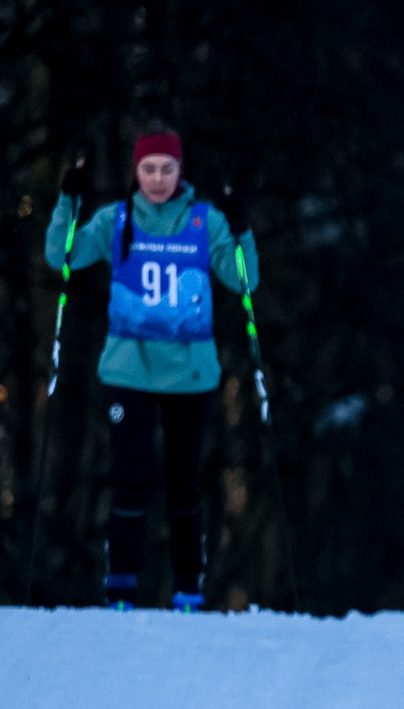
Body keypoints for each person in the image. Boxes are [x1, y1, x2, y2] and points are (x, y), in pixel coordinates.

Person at [43, 129, 258, 610]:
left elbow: (244, 279)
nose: (158, 179)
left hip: (190, 374)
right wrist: (68, 201)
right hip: (129, 371)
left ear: (181, 171)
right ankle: (120, 584)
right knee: (128, 477)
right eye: (148, 169)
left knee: (184, 482)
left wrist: (241, 229)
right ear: (135, 172)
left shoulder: (204, 222)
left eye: (167, 168)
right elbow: (63, 256)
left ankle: (188, 588)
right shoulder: (115, 219)